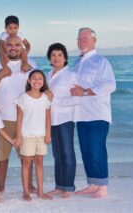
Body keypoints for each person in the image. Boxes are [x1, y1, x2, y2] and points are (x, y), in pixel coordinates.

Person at [0, 35, 38, 194]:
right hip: (3, 118)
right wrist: (1, 73)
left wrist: (28, 69)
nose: (13, 47)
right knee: (2, 156)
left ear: (21, 46)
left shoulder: (31, 64)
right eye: (9, 45)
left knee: (27, 156)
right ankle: (1, 186)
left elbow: (38, 85)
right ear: (4, 47)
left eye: (17, 44)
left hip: (26, 118)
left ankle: (28, 186)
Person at [71, 27, 116, 198]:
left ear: (94, 41)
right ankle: (92, 183)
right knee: (86, 150)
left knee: (97, 150)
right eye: (79, 38)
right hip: (80, 115)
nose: (81, 41)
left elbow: (110, 85)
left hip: (98, 115)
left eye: (85, 38)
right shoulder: (77, 62)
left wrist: (85, 91)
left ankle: (102, 186)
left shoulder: (100, 61)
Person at [45, 43, 80, 198]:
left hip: (65, 118)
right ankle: (59, 186)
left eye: (60, 55)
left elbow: (76, 99)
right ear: (49, 59)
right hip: (50, 119)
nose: (56, 58)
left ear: (65, 58)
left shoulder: (71, 75)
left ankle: (69, 187)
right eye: (53, 55)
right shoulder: (47, 75)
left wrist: (54, 99)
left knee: (67, 152)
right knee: (57, 154)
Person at [15, 70, 52, 201]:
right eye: (34, 78)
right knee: (26, 163)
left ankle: (41, 192)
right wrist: (18, 137)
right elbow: (19, 119)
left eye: (40, 78)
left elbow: (48, 117)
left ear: (43, 82)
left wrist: (48, 134)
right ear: (29, 81)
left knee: (40, 163)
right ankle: (26, 191)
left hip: (41, 135)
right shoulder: (22, 98)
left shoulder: (45, 98)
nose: (37, 81)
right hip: (26, 135)